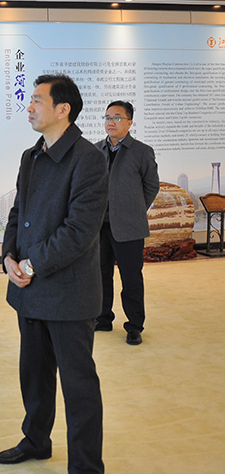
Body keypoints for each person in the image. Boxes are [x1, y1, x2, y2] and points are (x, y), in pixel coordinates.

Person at [0, 74, 108, 473]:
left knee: (78, 386)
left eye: (37, 101)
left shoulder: (88, 159)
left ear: (63, 109)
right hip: (29, 290)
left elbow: (79, 231)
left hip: (68, 294)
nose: (29, 107)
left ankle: (85, 466)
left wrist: (30, 265)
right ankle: (36, 440)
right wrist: (9, 257)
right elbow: (17, 213)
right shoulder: (32, 155)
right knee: (34, 376)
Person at [95, 101, 159, 345]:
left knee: (131, 279)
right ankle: (102, 318)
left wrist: (135, 209)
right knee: (100, 275)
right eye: (107, 117)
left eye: (117, 117)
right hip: (99, 226)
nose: (110, 122)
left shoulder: (142, 151)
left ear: (130, 122)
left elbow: (151, 185)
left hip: (129, 228)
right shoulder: (95, 150)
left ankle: (134, 326)